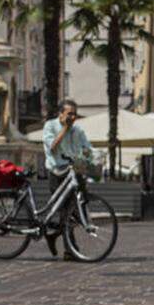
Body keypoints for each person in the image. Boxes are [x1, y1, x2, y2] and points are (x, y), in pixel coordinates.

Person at [42, 99, 93, 259]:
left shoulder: (78, 130)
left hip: (75, 171)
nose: (72, 117)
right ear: (61, 114)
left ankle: (55, 236)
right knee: (65, 211)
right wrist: (65, 128)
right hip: (57, 172)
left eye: (74, 114)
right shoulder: (50, 126)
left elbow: (88, 149)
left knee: (77, 211)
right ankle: (69, 249)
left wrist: (87, 155)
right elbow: (52, 147)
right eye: (69, 113)